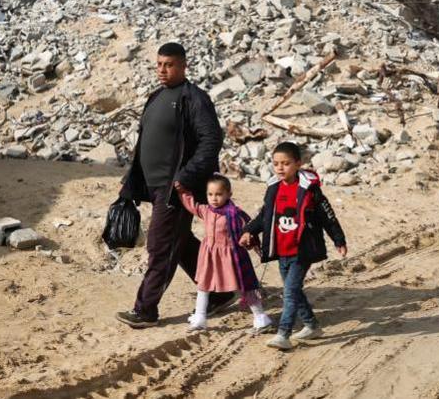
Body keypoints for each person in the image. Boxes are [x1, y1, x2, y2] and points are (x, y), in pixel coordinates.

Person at [116, 43, 234, 328]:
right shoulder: (157, 97)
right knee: (177, 243)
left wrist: (185, 177)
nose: (162, 70)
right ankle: (219, 294)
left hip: (177, 189)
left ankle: (145, 310)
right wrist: (131, 183)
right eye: (159, 64)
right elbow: (146, 142)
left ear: (183, 66)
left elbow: (211, 141)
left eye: (168, 65)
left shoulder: (194, 98)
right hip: (155, 187)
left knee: (160, 245)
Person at [239, 142, 347, 350]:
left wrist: (339, 240)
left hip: (302, 250)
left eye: (286, 163)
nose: (280, 168)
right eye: (276, 163)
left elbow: (328, 217)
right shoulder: (274, 188)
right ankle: (312, 325)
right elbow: (265, 215)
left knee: (289, 292)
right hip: (282, 250)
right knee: (294, 291)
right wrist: (249, 230)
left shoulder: (310, 190)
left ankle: (284, 333)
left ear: (298, 164)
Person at [175, 174, 273, 333]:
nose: (214, 198)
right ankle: (200, 318)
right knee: (203, 286)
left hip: (231, 256)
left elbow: (249, 230)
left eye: (219, 194)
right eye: (210, 194)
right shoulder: (206, 210)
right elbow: (191, 204)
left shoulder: (235, 214)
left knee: (245, 285)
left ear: (229, 194)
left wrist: (249, 240)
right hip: (209, 255)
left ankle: (260, 317)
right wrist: (182, 191)